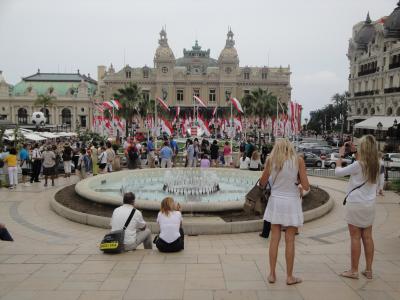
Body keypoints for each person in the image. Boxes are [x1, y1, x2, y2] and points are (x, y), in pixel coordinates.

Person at [259, 138, 310, 285]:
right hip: (291, 203)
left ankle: (272, 274)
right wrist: (298, 181)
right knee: (290, 241)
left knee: (274, 239)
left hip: (276, 201)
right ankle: (289, 276)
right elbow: (306, 186)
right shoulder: (298, 161)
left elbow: (262, 183)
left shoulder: (271, 160)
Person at [335, 136, 379, 280]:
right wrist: (354, 152)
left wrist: (340, 157)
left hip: (356, 204)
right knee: (368, 237)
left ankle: (354, 271)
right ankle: (369, 270)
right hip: (369, 205)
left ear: (364, 148)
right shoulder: (377, 164)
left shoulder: (359, 165)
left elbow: (338, 172)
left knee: (355, 237)